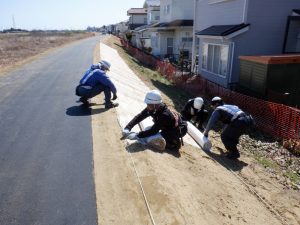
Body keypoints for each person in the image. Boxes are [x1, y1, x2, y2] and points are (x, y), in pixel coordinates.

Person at [122, 90, 187, 152]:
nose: (147, 106)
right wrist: (128, 128)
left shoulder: (165, 114)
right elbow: (139, 116)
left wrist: (137, 135)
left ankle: (174, 142)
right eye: (147, 104)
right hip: (168, 126)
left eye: (149, 104)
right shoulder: (152, 107)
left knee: (151, 139)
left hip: (179, 130)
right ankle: (168, 137)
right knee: (147, 130)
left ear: (156, 104)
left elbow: (154, 130)